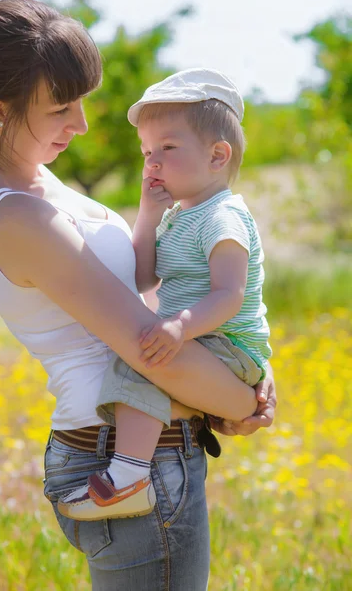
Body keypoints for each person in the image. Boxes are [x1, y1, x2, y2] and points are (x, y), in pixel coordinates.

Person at [0, 0, 276, 590]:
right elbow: (148, 347)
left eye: (81, 102)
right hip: (130, 462)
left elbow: (141, 292)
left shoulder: (28, 177)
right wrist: (243, 404)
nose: (80, 125)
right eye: (60, 108)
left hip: (132, 445)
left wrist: (238, 357)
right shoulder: (21, 215)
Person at [59, 69, 272, 522]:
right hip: (203, 337)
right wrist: (149, 212)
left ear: (218, 156)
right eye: (146, 152)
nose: (152, 161)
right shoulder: (180, 215)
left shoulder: (223, 217)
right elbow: (140, 277)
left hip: (229, 342)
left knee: (142, 364)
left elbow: (230, 295)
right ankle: (146, 459)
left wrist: (180, 325)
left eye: (167, 149)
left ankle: (129, 478)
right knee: (143, 360)